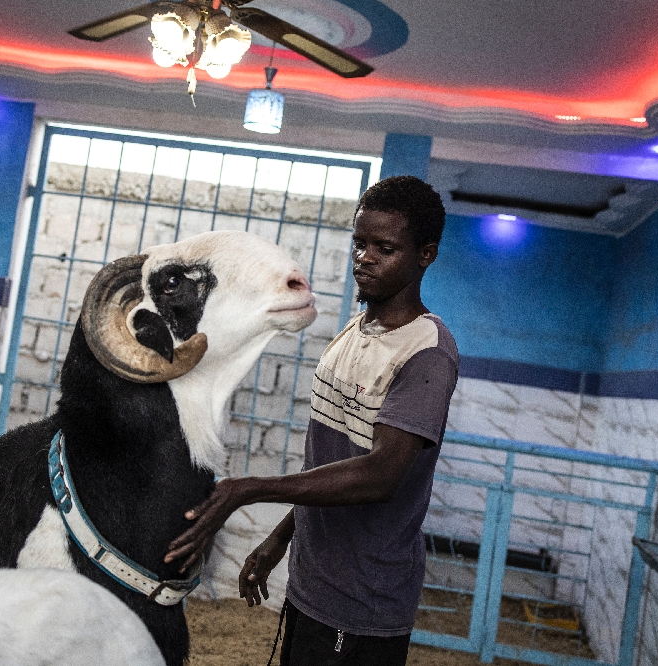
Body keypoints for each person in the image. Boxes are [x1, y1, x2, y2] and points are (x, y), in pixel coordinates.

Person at [165, 175, 458, 665]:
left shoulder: (426, 352)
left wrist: (248, 489)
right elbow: (333, 464)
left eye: (384, 248)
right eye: (359, 243)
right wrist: (280, 539)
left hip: (361, 601)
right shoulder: (356, 329)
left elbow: (379, 475)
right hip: (312, 583)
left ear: (425, 254)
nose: (364, 258)